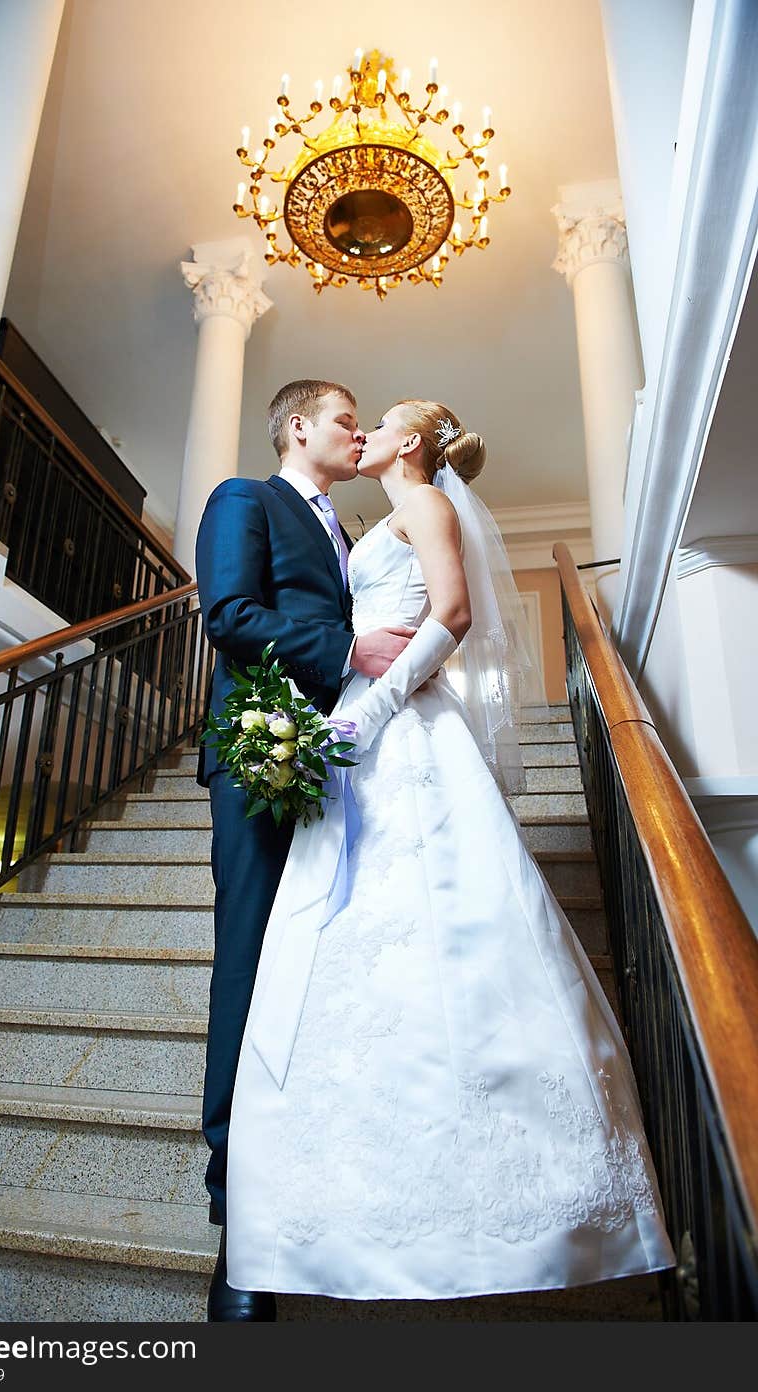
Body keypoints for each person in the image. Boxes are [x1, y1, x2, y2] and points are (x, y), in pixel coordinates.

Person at [224, 398, 676, 1302]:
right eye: (351, 419)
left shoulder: (425, 502)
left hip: (400, 727)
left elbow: (455, 615)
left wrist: (373, 710)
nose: (366, 434)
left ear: (415, 441)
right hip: (362, 721)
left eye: (379, 421)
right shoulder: (369, 524)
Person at [194, 380, 416, 1320]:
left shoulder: (350, 526)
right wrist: (349, 646)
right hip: (259, 753)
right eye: (343, 418)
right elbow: (231, 617)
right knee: (250, 961)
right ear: (297, 427)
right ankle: (234, 1219)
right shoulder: (245, 499)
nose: (357, 432)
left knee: (319, 972)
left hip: (333, 763)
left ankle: (305, 1175)